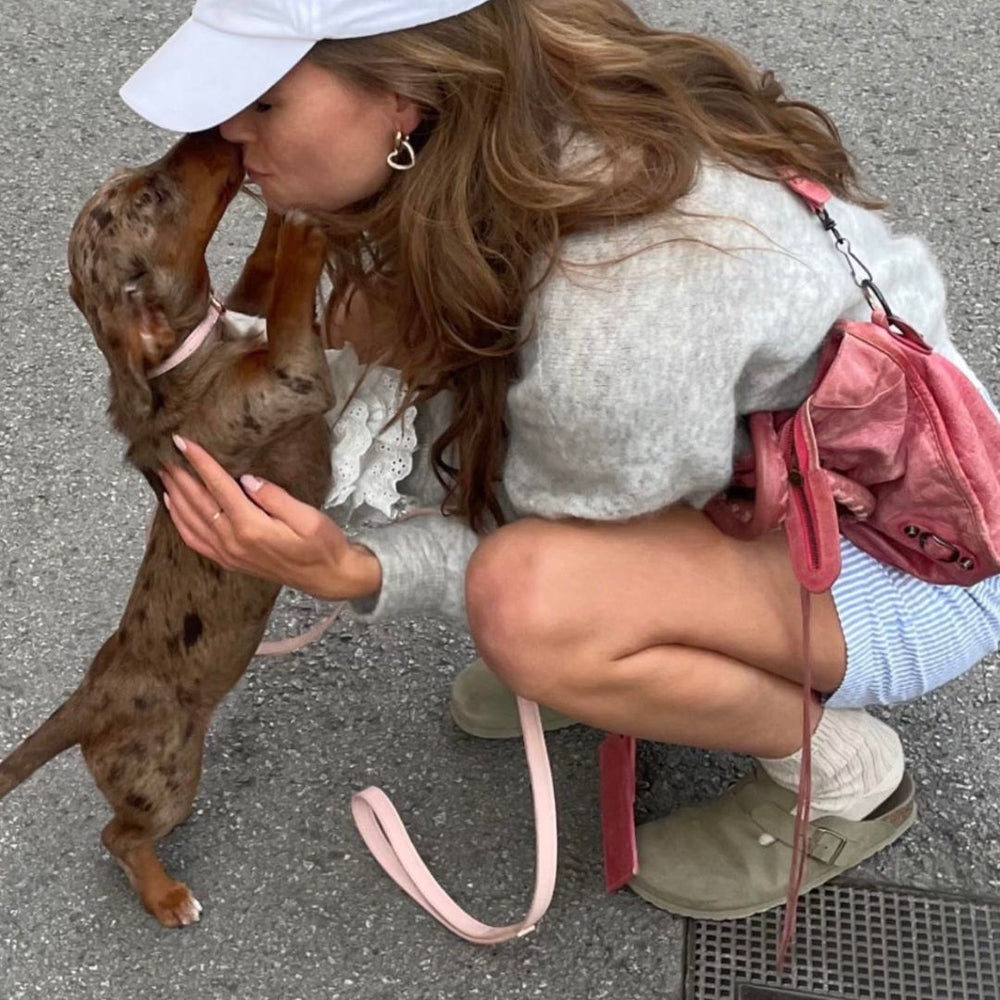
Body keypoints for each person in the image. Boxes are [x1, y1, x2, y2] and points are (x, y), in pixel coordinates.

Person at [119, 0, 1000, 921]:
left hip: (911, 563)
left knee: (531, 607)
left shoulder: (617, 299)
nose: (229, 129)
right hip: (778, 462)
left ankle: (844, 775)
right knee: (480, 457)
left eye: (268, 101)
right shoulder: (520, 84)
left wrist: (354, 570)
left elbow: (532, 523)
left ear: (406, 90)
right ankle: (644, 643)